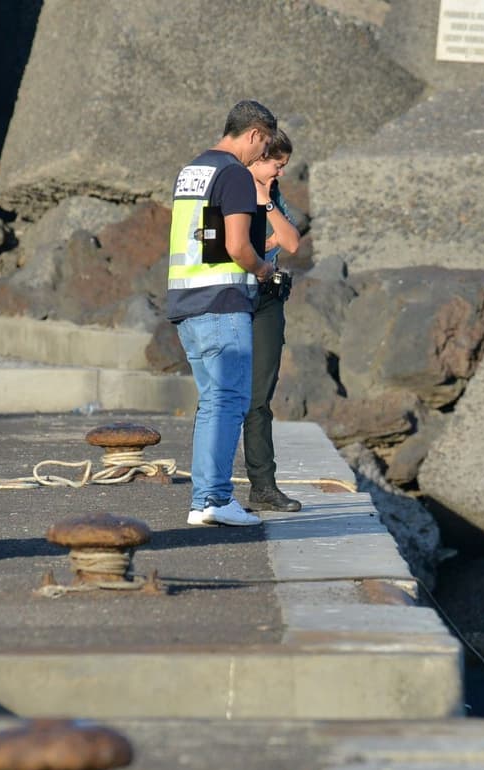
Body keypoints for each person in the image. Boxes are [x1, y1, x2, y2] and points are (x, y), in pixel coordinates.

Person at [167, 101, 279, 527]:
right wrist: (263, 270)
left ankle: (204, 501)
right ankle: (214, 498)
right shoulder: (234, 174)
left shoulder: (192, 170)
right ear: (254, 134)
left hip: (187, 302)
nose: (262, 155)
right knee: (229, 400)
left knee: (212, 402)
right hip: (222, 303)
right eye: (264, 145)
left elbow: (205, 236)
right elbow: (235, 245)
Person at [241, 129, 305, 513]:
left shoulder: (273, 194)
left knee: (259, 398)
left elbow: (291, 241)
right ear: (258, 156)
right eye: (276, 165)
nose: (280, 172)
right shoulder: (229, 186)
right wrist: (262, 245)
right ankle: (210, 488)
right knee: (220, 399)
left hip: (266, 300)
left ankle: (263, 486)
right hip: (232, 297)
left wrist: (266, 201)